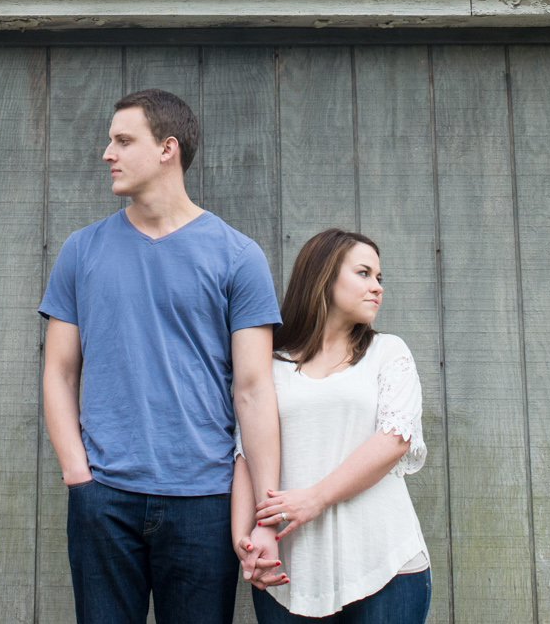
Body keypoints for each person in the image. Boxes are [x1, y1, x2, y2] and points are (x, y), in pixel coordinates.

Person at [39, 88, 285, 624]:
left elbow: (254, 388)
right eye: (110, 141)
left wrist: (265, 515)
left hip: (204, 500)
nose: (108, 153)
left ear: (167, 149)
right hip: (104, 496)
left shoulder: (239, 257)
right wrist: (79, 478)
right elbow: (58, 372)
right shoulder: (81, 250)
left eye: (123, 141)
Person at [231, 228, 431, 623]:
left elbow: (395, 439)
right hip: (289, 573)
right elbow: (244, 457)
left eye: (379, 278)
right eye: (363, 273)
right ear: (323, 276)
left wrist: (315, 497)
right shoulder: (269, 366)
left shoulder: (388, 353)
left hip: (386, 564)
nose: (377, 287)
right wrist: (247, 538)